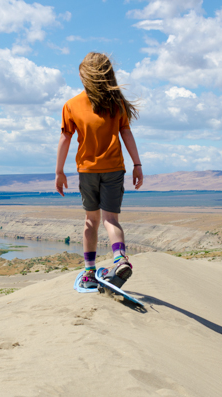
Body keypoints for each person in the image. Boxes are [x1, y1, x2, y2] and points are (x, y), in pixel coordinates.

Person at [55, 52, 143, 289]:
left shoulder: (72, 105)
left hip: (88, 171)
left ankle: (89, 272)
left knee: (91, 221)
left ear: (85, 77)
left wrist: (59, 172)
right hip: (115, 169)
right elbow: (127, 134)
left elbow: (65, 139)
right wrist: (137, 164)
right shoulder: (118, 104)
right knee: (111, 219)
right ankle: (120, 259)